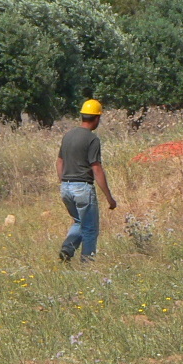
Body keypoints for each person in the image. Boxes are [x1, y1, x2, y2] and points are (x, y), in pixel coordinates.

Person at [56, 98, 117, 262]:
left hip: (66, 187)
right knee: (90, 229)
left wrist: (64, 182)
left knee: (78, 221)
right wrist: (109, 198)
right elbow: (96, 168)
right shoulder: (92, 139)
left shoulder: (68, 136)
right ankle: (87, 265)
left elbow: (59, 161)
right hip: (82, 188)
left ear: (83, 116)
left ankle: (67, 249)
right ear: (97, 118)